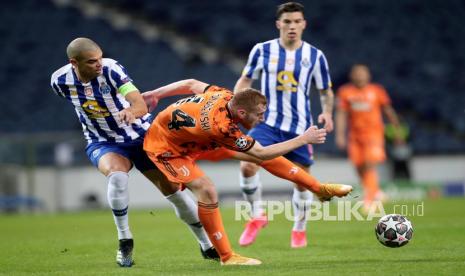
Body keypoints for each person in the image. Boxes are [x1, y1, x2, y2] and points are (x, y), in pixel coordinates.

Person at [143, 78, 352, 265]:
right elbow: (261, 154)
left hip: (194, 139)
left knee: (253, 155)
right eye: (259, 115)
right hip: (167, 148)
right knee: (206, 189)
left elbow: (190, 84)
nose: (262, 119)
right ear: (242, 113)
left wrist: (155, 94)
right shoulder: (222, 127)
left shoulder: (225, 95)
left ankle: (319, 189)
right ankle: (227, 257)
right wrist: (303, 139)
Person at [50, 37, 218, 267]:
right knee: (117, 176)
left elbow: (139, 103)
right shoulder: (60, 82)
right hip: (104, 141)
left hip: (143, 137)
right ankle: (125, 240)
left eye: (99, 58)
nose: (99, 64)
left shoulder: (112, 70)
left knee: (174, 192)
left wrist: (131, 112)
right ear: (74, 63)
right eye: (91, 61)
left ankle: (206, 245)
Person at [233, 2, 335, 248]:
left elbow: (325, 91)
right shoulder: (262, 50)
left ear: (304, 24)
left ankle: (299, 228)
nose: (292, 26)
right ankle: (257, 215)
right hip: (267, 124)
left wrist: (328, 114)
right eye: (287, 21)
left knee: (302, 181)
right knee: (247, 165)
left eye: (297, 21)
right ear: (278, 24)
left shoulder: (315, 55)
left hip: (301, 127)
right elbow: (245, 80)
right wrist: (236, 108)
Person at [335, 64, 404, 213]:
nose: (359, 76)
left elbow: (388, 110)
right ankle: (376, 191)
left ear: (368, 75)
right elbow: (341, 114)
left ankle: (369, 200)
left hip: (374, 135)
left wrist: (397, 130)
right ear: (351, 76)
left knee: (369, 164)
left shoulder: (377, 90)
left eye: (362, 73)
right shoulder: (345, 92)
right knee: (358, 166)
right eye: (357, 73)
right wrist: (340, 135)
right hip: (355, 136)